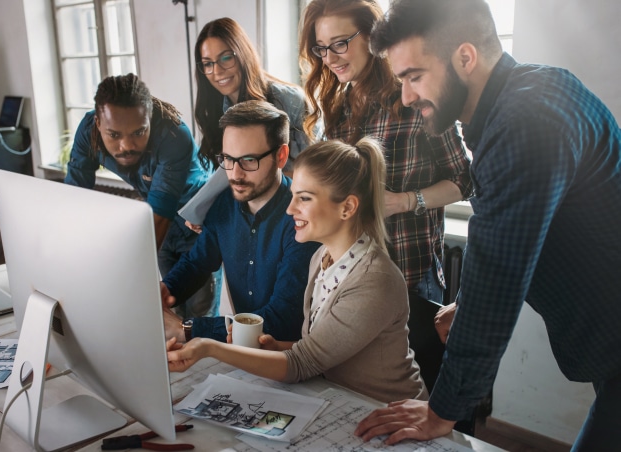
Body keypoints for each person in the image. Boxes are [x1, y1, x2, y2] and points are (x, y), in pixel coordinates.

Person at [357, 0, 621, 448]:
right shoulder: (530, 92)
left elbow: (499, 272)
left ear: (465, 57)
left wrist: (442, 412)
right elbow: (525, 231)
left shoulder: (525, 122)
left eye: (414, 76)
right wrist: (470, 304)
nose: (405, 96)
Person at [167, 137, 427, 404]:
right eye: (293, 197)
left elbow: (302, 364)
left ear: (347, 207)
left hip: (390, 412)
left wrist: (209, 347)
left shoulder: (374, 280)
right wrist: (275, 347)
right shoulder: (320, 258)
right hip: (341, 401)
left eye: (304, 199)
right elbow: (316, 348)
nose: (290, 209)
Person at [298, 0, 473, 304]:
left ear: (371, 36)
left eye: (340, 44)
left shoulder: (414, 98)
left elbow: (465, 181)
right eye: (321, 48)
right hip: (351, 275)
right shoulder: (338, 110)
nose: (330, 58)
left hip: (410, 276)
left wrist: (404, 201)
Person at [160, 100, 319, 343]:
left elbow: (281, 318)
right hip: (244, 352)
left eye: (248, 160)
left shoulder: (302, 217)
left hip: (293, 358)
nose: (235, 174)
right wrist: (167, 290)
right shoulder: (223, 203)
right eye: (228, 159)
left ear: (281, 156)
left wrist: (188, 328)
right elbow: (198, 263)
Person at [64, 74, 215, 318]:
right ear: (98, 125)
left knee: (200, 309)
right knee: (170, 302)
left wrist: (122, 281)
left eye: (138, 132)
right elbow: (74, 196)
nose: (126, 145)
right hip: (159, 219)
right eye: (114, 135)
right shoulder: (87, 131)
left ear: (150, 120)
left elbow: (160, 211)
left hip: (198, 221)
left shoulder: (174, 135)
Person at [194, 17, 315, 175]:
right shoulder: (215, 110)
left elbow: (316, 168)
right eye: (208, 64)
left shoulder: (288, 99)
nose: (217, 72)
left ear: (243, 55)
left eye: (226, 58)